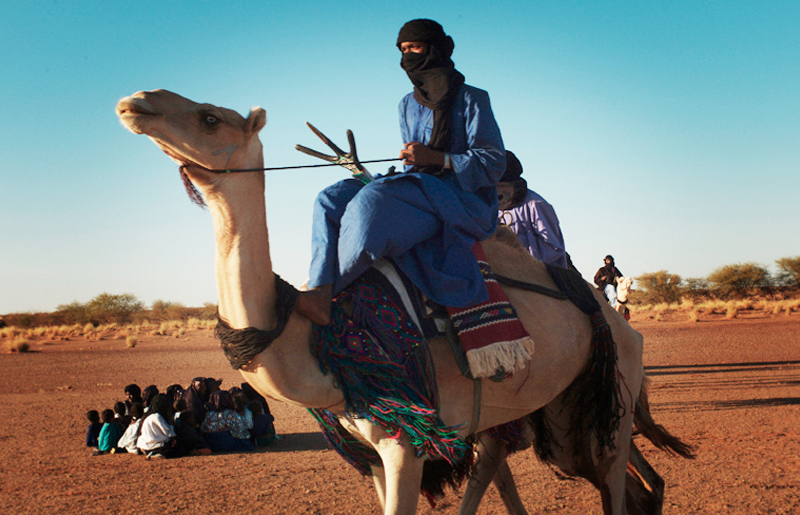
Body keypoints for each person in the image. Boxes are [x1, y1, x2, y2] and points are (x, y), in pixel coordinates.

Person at [296, 18, 505, 325]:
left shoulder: (473, 99)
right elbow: (414, 165)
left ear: (434, 49)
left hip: (462, 199)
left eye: (414, 47)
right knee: (331, 198)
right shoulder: (407, 105)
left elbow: (493, 163)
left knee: (373, 203)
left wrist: (437, 158)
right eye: (403, 49)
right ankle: (318, 286)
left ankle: (328, 295)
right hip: (419, 187)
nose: (407, 56)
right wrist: (412, 162)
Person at [496, 151, 568, 268]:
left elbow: (553, 249)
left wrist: (520, 260)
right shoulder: (489, 207)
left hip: (537, 275)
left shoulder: (536, 205)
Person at [136, 393, 177, 459]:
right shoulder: (157, 417)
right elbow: (170, 434)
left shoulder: (148, 416)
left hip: (145, 445)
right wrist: (171, 423)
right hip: (154, 446)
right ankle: (155, 454)